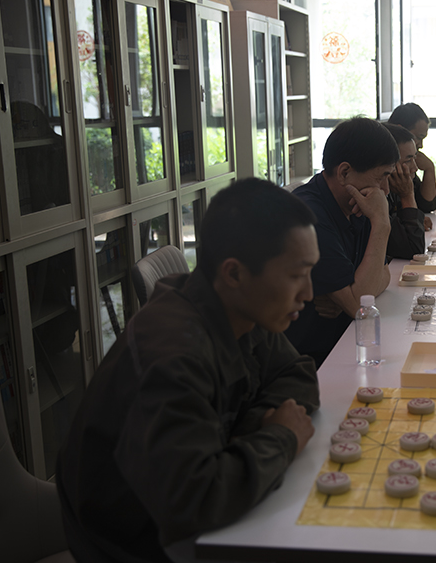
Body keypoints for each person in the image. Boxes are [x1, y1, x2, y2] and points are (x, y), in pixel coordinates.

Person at [56, 178, 321, 562]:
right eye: (297, 275)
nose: (309, 293)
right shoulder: (174, 356)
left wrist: (253, 428)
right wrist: (281, 435)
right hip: (137, 545)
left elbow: (297, 373)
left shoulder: (240, 307)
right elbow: (197, 500)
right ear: (234, 274)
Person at [286, 117, 396, 366]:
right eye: (382, 177)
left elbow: (384, 275)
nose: (386, 190)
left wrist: (351, 294)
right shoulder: (309, 216)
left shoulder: (357, 202)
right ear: (344, 172)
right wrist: (382, 224)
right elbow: (359, 306)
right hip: (307, 361)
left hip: (342, 341)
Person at [388, 102, 436, 215]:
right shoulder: (383, 168)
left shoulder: (407, 165)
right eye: (417, 137)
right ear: (401, 130)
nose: (420, 145)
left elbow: (427, 205)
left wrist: (429, 169)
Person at [383, 122, 425, 259]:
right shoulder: (377, 194)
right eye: (408, 161)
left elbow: (429, 205)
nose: (415, 168)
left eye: (414, 158)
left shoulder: (394, 189)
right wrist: (407, 196)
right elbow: (414, 249)